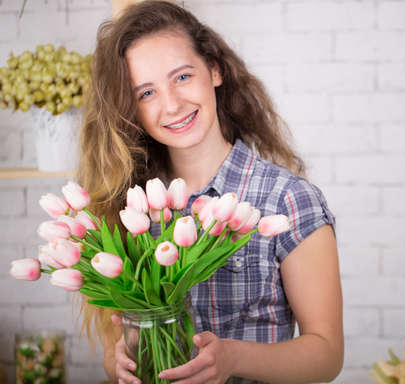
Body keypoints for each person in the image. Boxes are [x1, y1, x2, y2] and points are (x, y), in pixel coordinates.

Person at [76, 1, 344, 383]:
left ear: (214, 70)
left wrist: (234, 358)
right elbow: (114, 346)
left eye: (182, 77)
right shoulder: (126, 206)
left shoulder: (287, 199)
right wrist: (117, 361)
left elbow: (326, 355)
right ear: (129, 108)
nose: (171, 104)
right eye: (146, 93)